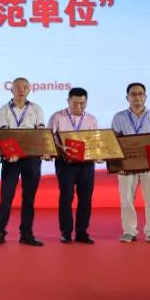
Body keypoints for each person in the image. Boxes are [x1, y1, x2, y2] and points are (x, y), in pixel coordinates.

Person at [0, 77, 48, 247]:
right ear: (11, 90)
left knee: (29, 199)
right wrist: (10, 153)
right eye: (17, 87)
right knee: (6, 198)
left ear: (29, 89)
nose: (21, 90)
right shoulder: (3, 110)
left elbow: (40, 133)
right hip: (11, 160)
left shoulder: (36, 109)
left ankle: (26, 234)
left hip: (32, 159)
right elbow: (4, 136)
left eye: (24, 87)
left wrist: (45, 150)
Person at [109, 83, 150, 244]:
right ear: (127, 97)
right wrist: (118, 165)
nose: (137, 97)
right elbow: (114, 143)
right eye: (133, 94)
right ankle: (129, 231)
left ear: (145, 97)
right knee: (126, 200)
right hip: (127, 165)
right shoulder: (119, 117)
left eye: (141, 94)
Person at [48, 87, 99, 244]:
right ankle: (66, 232)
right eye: (75, 103)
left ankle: (82, 232)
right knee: (66, 197)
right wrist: (60, 148)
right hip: (65, 163)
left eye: (82, 103)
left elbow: (95, 142)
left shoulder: (91, 119)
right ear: (68, 101)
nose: (79, 106)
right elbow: (48, 139)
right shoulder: (57, 117)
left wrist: (99, 154)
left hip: (86, 164)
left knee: (86, 198)